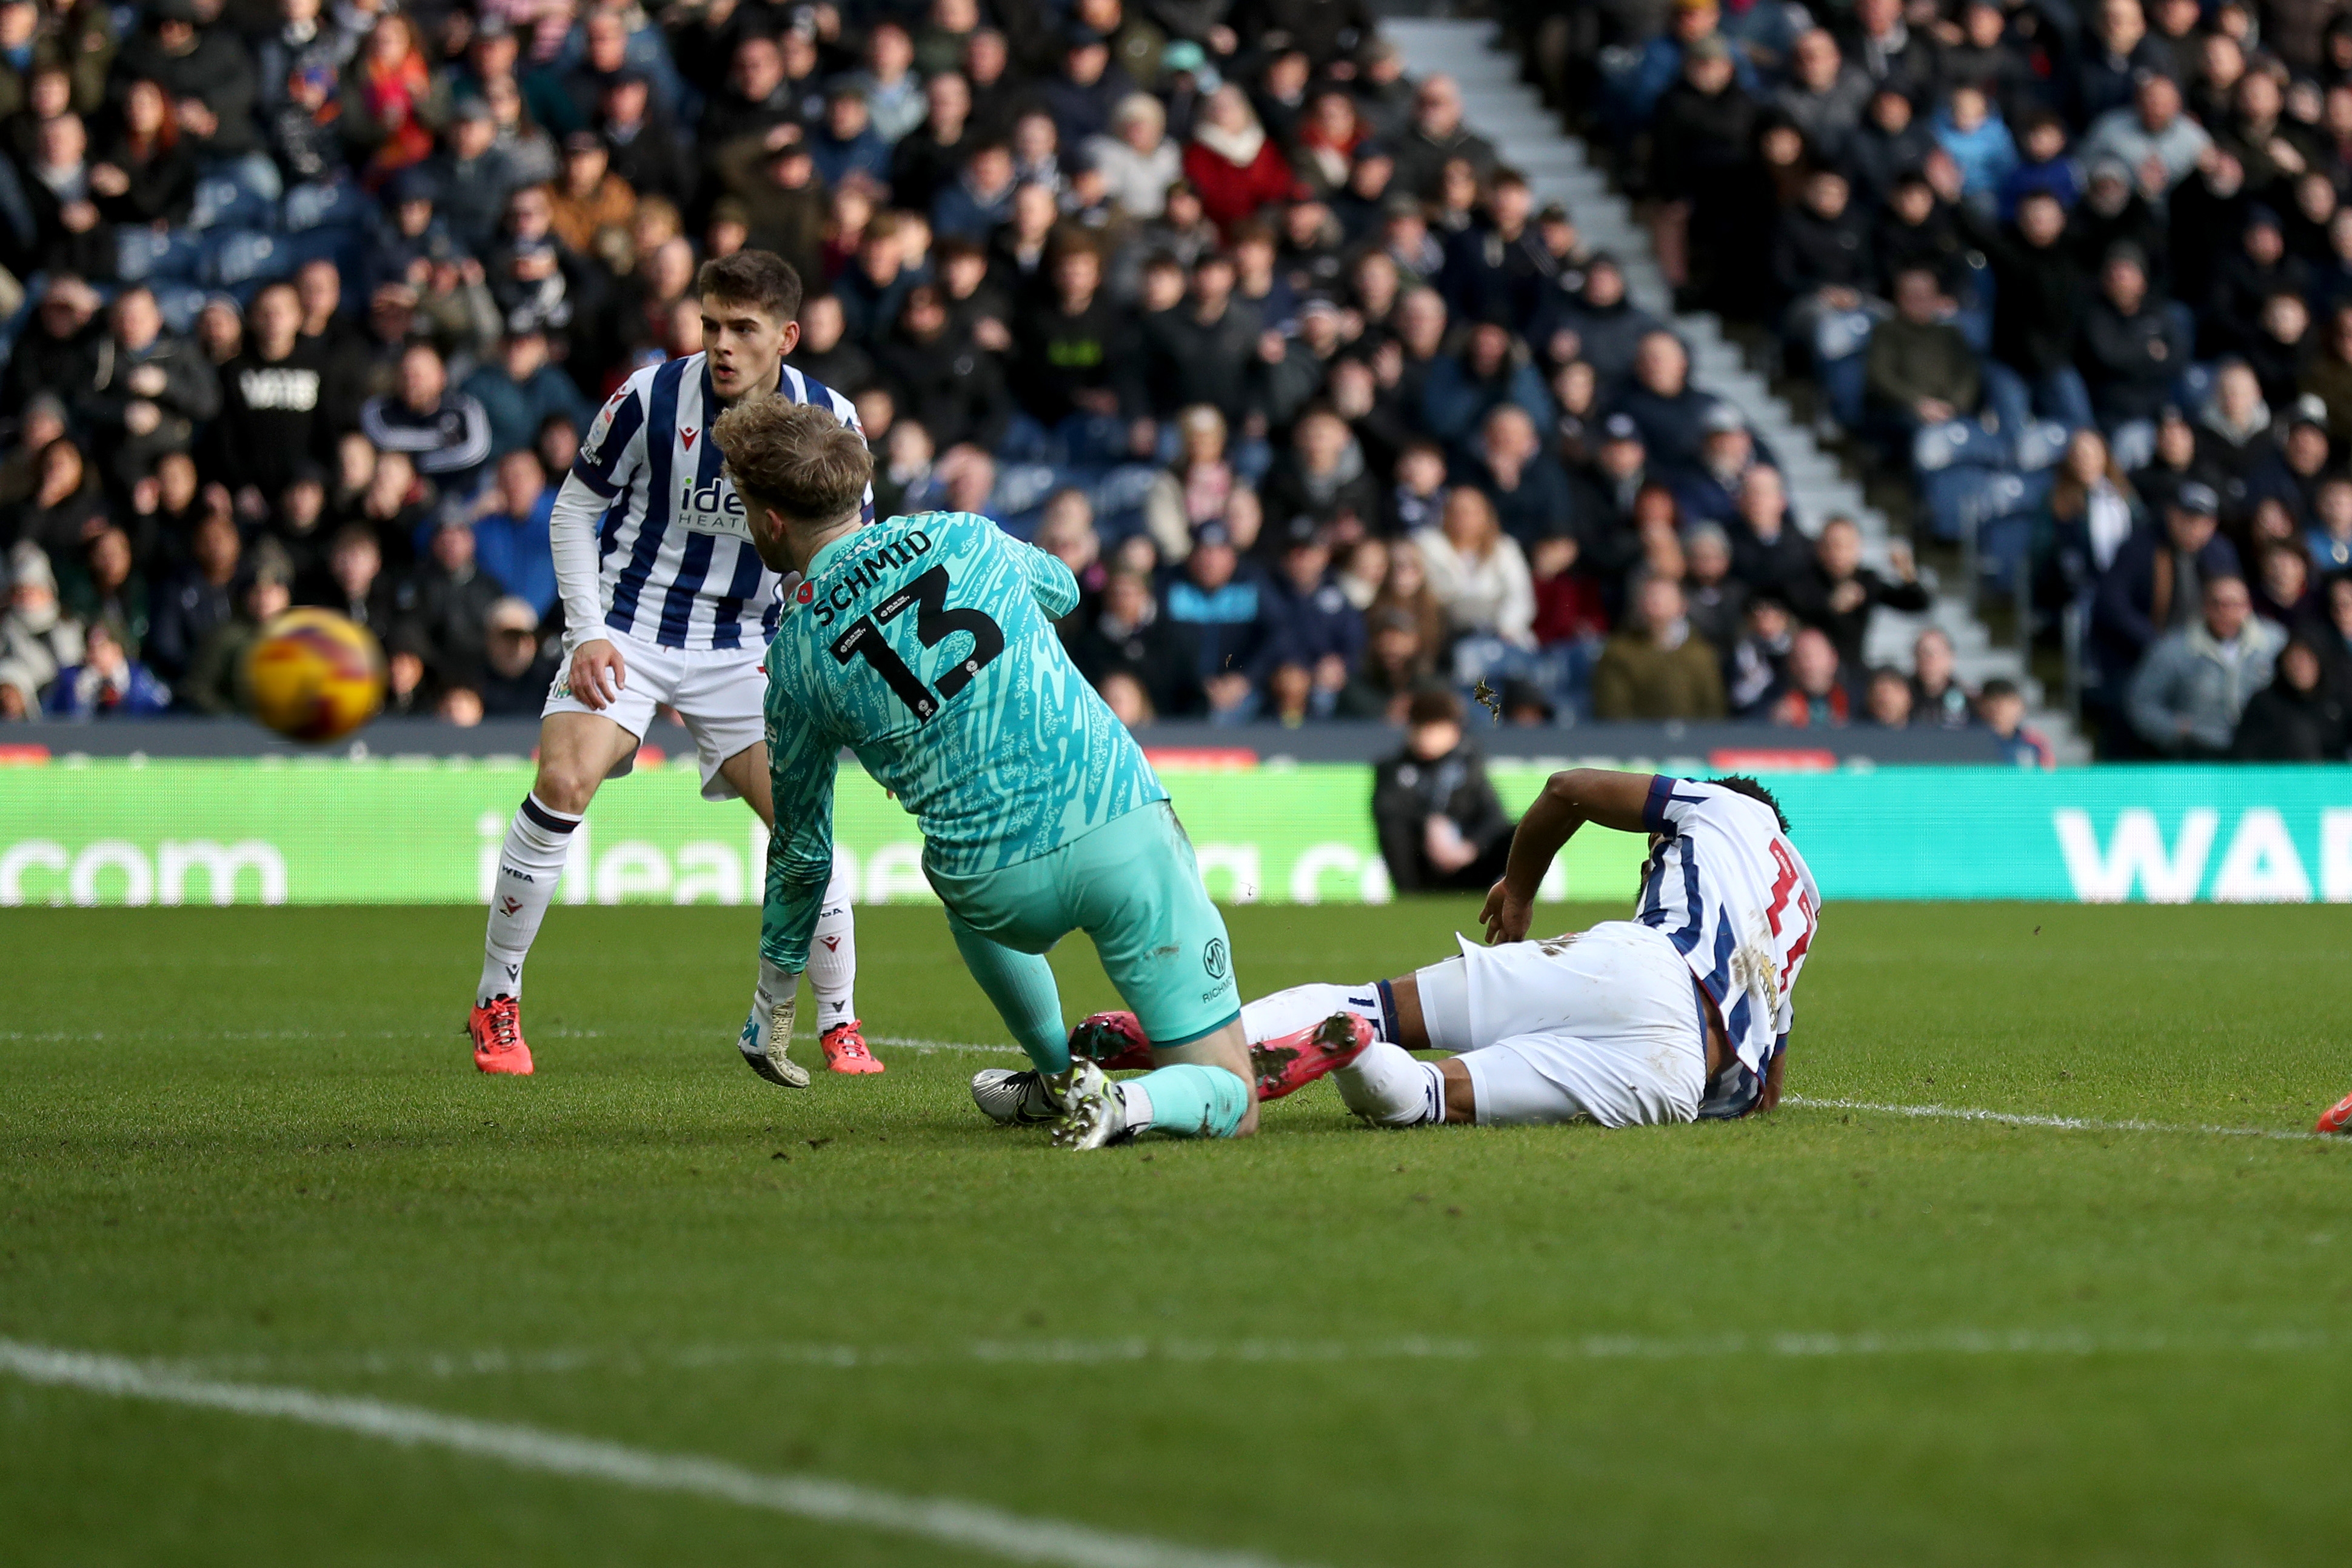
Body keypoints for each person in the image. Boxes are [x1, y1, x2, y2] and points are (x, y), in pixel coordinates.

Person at [713, 395, 1253, 1153]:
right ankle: (1127, 1099)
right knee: (1233, 1093)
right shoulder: (961, 533)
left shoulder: (796, 658)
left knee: (957, 866)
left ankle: (1062, 1078)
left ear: (770, 520)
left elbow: (803, 851)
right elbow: (1064, 590)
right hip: (1115, 826)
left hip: (994, 890)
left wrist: (774, 1002)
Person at [469, 251, 868, 1081]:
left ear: (787, 336)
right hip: (631, 628)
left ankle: (839, 1021)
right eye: (711, 324)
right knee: (565, 780)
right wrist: (586, 631)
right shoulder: (648, 396)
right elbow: (576, 507)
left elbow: (848, 550)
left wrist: (824, 660)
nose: (721, 344)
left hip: (749, 646)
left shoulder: (831, 418)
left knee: (805, 826)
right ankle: (495, 1000)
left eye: (743, 329)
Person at [1051, 770, 1817, 1131]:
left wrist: (1517, 891)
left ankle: (1221, 1041)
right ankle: (1352, 1057)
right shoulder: (1804, 904)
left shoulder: (1723, 806)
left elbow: (1567, 790)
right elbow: (1766, 1082)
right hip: (1676, 1077)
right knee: (1425, 1100)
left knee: (1372, 1005)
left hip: (1645, 966)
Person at [1371, 688, 1515, 895]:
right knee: (1395, 829)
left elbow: (1494, 818)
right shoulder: (1393, 769)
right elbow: (1388, 812)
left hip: (1467, 861)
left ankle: (1514, 901)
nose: (1427, 735)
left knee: (1519, 835)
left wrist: (1471, 847)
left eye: (1435, 726)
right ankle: (1413, 900)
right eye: (1421, 726)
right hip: (1422, 868)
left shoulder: (1469, 764)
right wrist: (1427, 823)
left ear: (1453, 729)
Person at [2125, 573, 2284, 757]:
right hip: (2197, 753)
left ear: (2248, 607)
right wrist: (2174, 730)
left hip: (2262, 753)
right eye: (2218, 604)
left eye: (2235, 605)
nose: (2226, 612)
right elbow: (2142, 702)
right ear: (2205, 607)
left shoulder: (2275, 643)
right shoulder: (2174, 649)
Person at [1591, 574, 1727, 719]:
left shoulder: (1701, 655)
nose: (1656, 604)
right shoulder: (1619, 652)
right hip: (1638, 738)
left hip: (1694, 738)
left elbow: (1714, 710)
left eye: (1664, 599)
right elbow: (1613, 710)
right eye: (1650, 598)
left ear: (1682, 605)